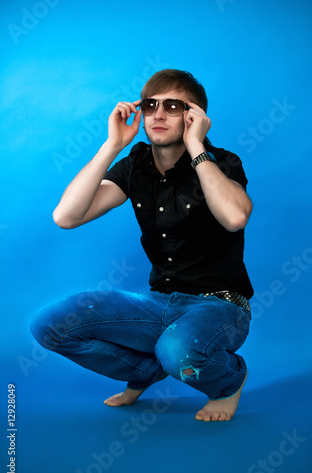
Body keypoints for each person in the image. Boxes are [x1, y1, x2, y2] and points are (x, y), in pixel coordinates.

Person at [31, 69, 254, 422]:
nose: (159, 114)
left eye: (172, 106)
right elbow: (66, 217)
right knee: (51, 324)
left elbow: (234, 218)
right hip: (159, 303)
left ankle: (228, 382)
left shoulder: (221, 163)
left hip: (220, 306)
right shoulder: (135, 165)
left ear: (194, 115)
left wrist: (196, 146)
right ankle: (146, 371)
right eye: (150, 105)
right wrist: (112, 145)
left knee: (178, 351)